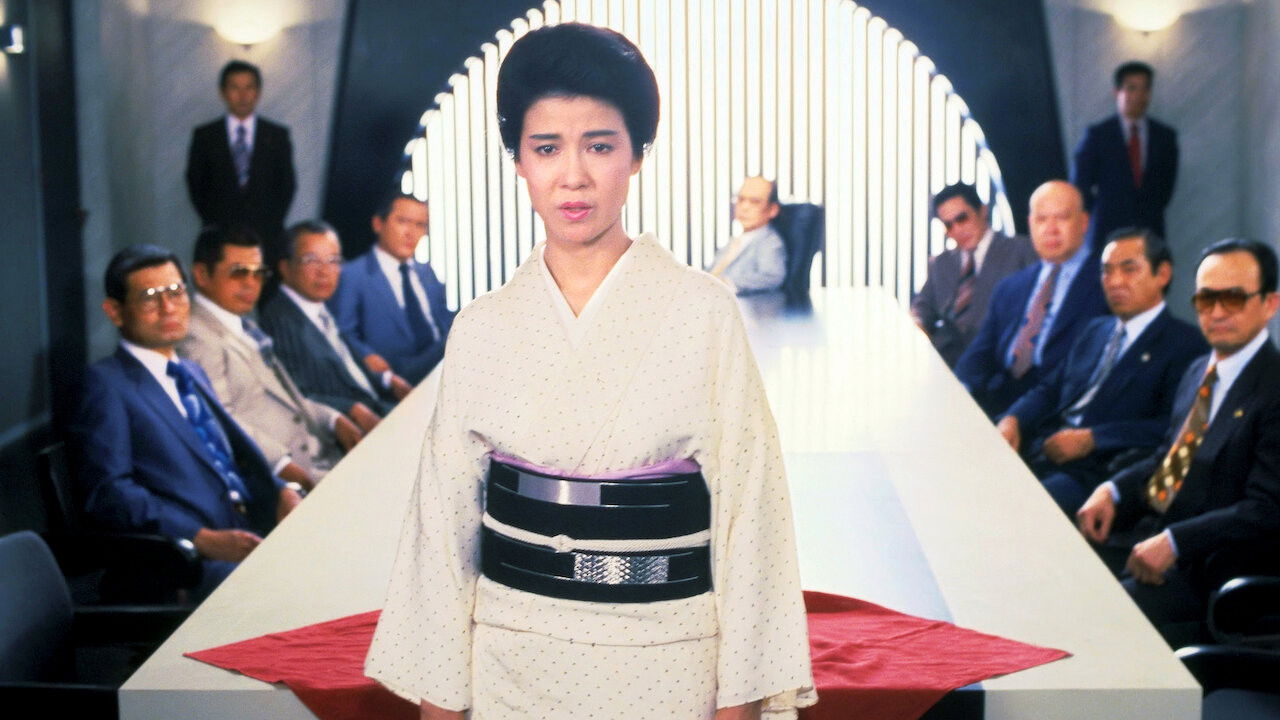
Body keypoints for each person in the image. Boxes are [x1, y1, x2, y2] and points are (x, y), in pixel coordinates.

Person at [365, 23, 815, 720]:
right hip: (512, 656)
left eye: (599, 146)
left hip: (669, 658)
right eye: (546, 148)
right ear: (518, 160)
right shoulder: (483, 326)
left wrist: (739, 706)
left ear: (636, 155)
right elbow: (442, 531)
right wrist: (442, 705)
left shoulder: (703, 313)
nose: (572, 175)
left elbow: (752, 520)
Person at [1077, 238, 1280, 646]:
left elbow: (1266, 509)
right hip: (1149, 535)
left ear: (1269, 304)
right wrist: (1112, 491)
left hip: (1209, 570)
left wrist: (1176, 542)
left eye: (1233, 298)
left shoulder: (1273, 388)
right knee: (1055, 572)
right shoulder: (1197, 372)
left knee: (1091, 621)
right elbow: (1168, 460)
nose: (1217, 312)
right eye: (1206, 299)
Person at [68, 245, 300, 599]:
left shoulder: (190, 370)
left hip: (250, 526)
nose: (169, 307)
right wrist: (200, 538)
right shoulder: (105, 384)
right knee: (302, 584)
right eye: (150, 297)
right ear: (115, 311)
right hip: (186, 562)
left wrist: (280, 490)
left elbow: (234, 456)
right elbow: (109, 492)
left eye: (176, 292)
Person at [997, 228, 1206, 514]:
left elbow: (1173, 429)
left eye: (1129, 269)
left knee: (1017, 508)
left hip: (1098, 472)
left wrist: (1094, 438)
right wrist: (1013, 419)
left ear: (1162, 274)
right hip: (1041, 449)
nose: (1115, 281)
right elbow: (1049, 389)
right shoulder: (1095, 329)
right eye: (1107, 271)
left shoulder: (1186, 344)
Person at [179, 225, 362, 489]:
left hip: (320, 455)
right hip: (285, 477)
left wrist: (333, 419)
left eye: (258, 273)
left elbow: (288, 397)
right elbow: (223, 423)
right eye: (239, 272)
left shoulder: (244, 324)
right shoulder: (196, 337)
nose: (251, 283)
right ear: (202, 275)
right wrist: (282, 465)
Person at [954, 180, 1110, 418]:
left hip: (1059, 410)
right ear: (1030, 224)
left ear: (1083, 222)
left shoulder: (1106, 284)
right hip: (998, 402)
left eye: (1061, 218)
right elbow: (979, 355)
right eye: (1041, 219)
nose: (1050, 229)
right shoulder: (1010, 286)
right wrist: (959, 392)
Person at [259, 220, 409, 427]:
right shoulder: (279, 320)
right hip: (352, 427)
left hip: (380, 407)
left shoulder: (319, 306)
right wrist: (348, 409)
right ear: (285, 267)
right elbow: (294, 394)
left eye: (333, 260)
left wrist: (386, 379)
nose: (324, 271)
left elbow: (347, 366)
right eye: (311, 260)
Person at [328, 193, 455, 384]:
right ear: (378, 224)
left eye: (420, 225)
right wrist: (372, 362)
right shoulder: (352, 275)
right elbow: (342, 334)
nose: (411, 233)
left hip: (446, 368)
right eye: (403, 221)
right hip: (396, 374)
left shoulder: (426, 271)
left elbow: (444, 321)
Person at [911, 183, 1038, 367]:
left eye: (962, 218)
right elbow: (923, 305)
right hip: (944, 359)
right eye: (948, 225)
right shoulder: (941, 263)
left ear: (982, 211)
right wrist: (917, 323)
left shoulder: (1021, 250)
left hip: (998, 360)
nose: (957, 230)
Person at [185, 60, 296, 260]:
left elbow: (287, 185)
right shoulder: (205, 136)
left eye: (249, 87)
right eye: (235, 88)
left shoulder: (277, 135)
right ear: (223, 92)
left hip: (267, 238)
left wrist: (270, 223)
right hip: (220, 237)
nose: (242, 95)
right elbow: (196, 185)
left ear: (258, 92)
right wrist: (214, 222)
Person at [1071, 61, 1178, 247]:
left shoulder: (1165, 136)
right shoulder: (1098, 135)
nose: (1138, 95)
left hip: (1150, 231)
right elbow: (1080, 186)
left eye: (1145, 89)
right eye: (1131, 88)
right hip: (1106, 232)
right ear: (1117, 92)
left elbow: (1165, 189)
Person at [707, 176, 788, 294]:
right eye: (741, 199)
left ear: (773, 210)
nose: (744, 207)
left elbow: (772, 277)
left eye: (755, 202)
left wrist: (726, 283)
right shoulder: (734, 241)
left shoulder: (770, 242)